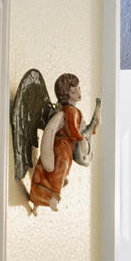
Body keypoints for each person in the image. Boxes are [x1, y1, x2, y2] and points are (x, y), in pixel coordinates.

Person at [26, 72, 99, 214]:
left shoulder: (77, 111)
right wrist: (80, 138)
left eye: (78, 88)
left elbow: (83, 129)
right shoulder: (70, 111)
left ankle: (37, 200)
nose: (78, 92)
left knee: (56, 171)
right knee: (62, 165)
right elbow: (72, 128)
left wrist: (94, 126)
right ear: (66, 94)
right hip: (61, 145)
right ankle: (54, 196)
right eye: (73, 91)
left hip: (68, 147)